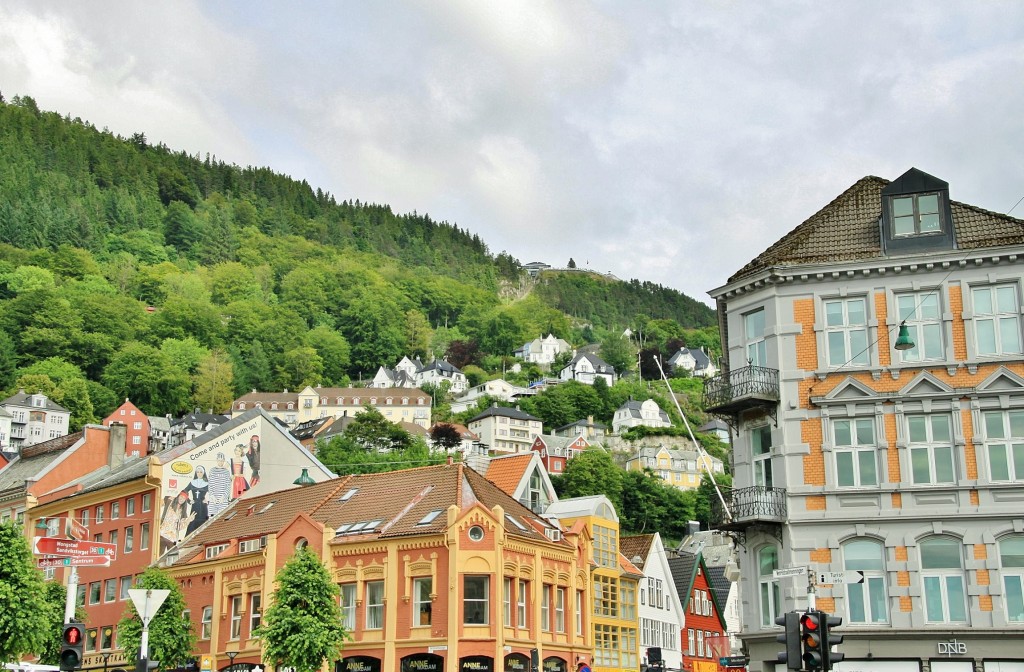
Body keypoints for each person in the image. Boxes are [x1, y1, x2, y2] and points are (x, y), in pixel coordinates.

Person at [182, 465, 210, 535]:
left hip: (203, 507)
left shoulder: (207, 484)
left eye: (201, 472)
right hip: (194, 506)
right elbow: (184, 491)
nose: (199, 473)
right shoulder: (192, 483)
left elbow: (214, 495)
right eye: (198, 472)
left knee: (203, 524)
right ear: (196, 473)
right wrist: (189, 500)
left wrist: (208, 501)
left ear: (203, 473)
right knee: (192, 522)